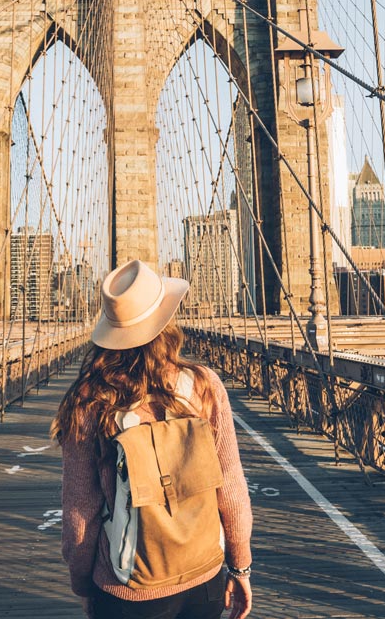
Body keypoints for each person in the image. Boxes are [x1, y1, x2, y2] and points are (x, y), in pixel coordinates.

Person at [55, 260, 254, 619]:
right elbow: (233, 489)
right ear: (166, 321)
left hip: (124, 588)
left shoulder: (89, 401)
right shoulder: (203, 386)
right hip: (203, 577)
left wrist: (84, 585)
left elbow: (79, 518)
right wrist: (239, 567)